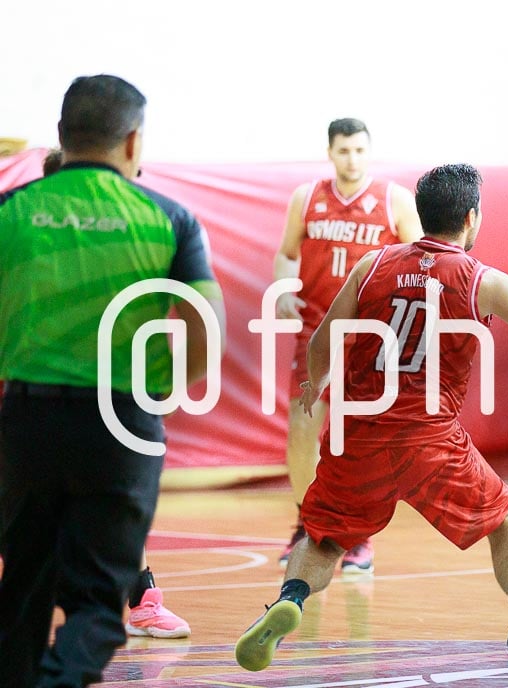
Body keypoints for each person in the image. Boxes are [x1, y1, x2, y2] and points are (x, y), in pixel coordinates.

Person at [234, 164, 508, 675]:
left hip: (358, 435)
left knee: (324, 538)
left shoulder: (372, 265)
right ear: (471, 217)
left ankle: (289, 598)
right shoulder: (478, 278)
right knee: (503, 523)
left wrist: (316, 384)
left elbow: (321, 343)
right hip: (429, 438)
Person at [0, 75, 225, 687]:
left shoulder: (10, 210)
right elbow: (206, 325)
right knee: (99, 605)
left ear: (61, 135)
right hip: (122, 423)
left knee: (21, 593)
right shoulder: (169, 218)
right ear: (132, 142)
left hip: (26, 420)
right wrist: (163, 389)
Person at [39, 147, 191, 640]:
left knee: (121, 497)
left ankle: (143, 601)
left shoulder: (134, 236)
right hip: (38, 396)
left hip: (111, 392)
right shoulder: (30, 240)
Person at [274, 118, 423, 574]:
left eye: (359, 150)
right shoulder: (306, 198)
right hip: (318, 330)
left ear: (369, 152)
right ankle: (306, 521)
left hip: (373, 335)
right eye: (343, 151)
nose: (352, 159)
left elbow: (423, 259)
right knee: (303, 428)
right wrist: (283, 289)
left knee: (361, 439)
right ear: (330, 153)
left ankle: (358, 535)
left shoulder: (394, 199)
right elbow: (287, 254)